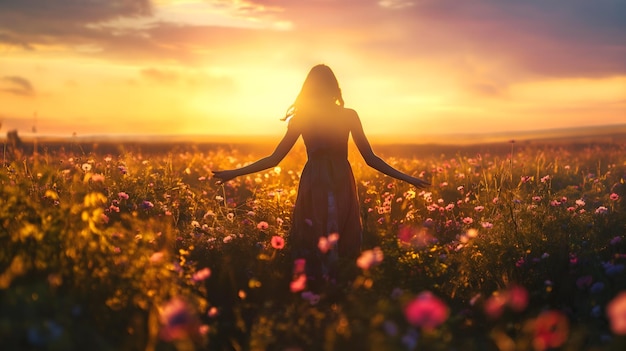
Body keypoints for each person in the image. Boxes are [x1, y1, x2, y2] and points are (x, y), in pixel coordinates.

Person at [212, 64, 430, 285]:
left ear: (308, 89)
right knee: (340, 235)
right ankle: (337, 287)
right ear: (334, 87)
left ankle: (315, 288)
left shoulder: (304, 119)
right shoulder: (347, 116)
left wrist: (235, 173)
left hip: (314, 181)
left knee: (315, 234)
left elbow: (273, 159)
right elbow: (370, 158)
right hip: (340, 181)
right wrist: (407, 178)